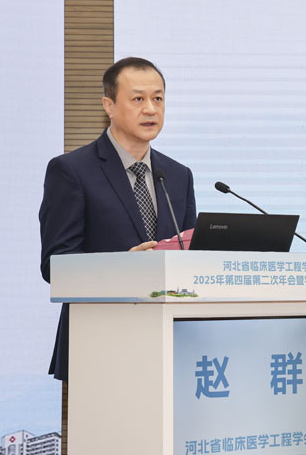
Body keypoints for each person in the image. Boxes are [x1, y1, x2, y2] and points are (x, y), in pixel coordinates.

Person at [39, 57, 197, 381]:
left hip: (169, 347)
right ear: (108, 105)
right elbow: (55, 265)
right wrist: (123, 268)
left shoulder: (178, 175)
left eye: (158, 98)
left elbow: (190, 254)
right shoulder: (71, 171)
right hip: (98, 341)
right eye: (138, 99)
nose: (150, 109)